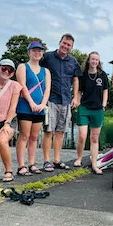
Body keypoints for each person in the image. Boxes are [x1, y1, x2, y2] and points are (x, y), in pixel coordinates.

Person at [40, 33, 82, 170]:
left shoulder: (73, 62)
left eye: (68, 45)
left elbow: (76, 79)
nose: (65, 46)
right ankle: (46, 161)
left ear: (71, 47)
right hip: (50, 99)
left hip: (66, 100)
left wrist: (75, 97)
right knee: (48, 131)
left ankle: (57, 160)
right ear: (60, 43)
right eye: (64, 43)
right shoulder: (47, 57)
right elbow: (38, 72)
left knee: (60, 131)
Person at [15, 41, 51, 175]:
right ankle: (21, 165)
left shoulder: (45, 71)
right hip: (25, 106)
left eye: (39, 51)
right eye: (34, 50)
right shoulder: (23, 67)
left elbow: (47, 89)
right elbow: (22, 86)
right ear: (29, 52)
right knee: (24, 135)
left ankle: (32, 163)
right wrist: (31, 103)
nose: (37, 53)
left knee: (34, 137)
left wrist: (42, 104)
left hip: (40, 107)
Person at [73, 52, 108, 174]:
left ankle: (94, 164)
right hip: (84, 108)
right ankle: (79, 158)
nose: (94, 61)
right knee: (82, 136)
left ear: (99, 62)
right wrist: (76, 101)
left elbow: (105, 91)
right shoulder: (83, 75)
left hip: (97, 109)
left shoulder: (102, 75)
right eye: (92, 59)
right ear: (89, 60)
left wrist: (104, 105)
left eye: (96, 60)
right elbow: (79, 91)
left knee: (94, 138)